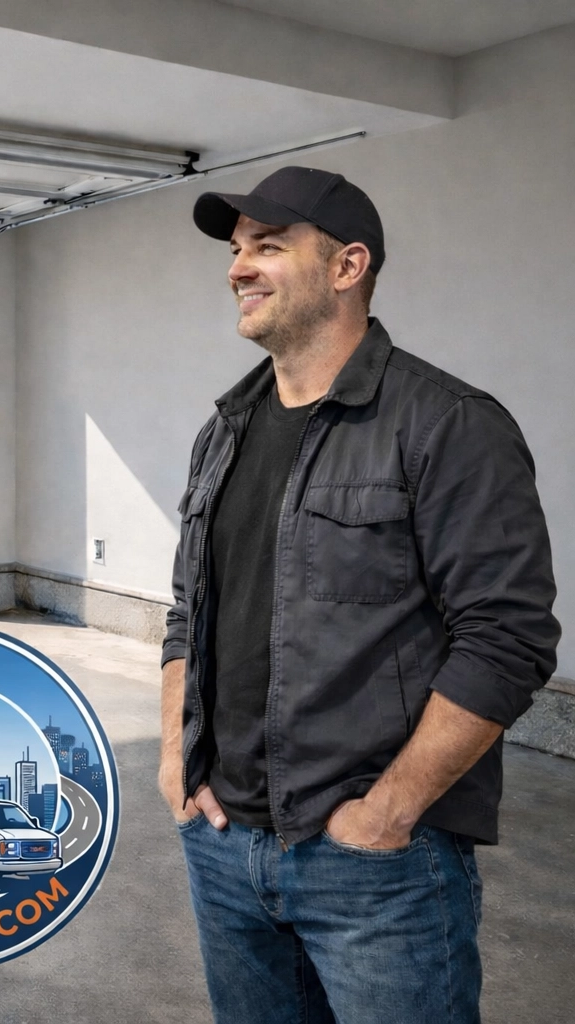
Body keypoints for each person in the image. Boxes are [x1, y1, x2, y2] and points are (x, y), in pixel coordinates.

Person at [159, 166, 560, 1023]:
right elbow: (188, 612)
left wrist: (388, 812)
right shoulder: (223, 430)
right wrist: (176, 764)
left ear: (347, 267)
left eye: (269, 246)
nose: (239, 267)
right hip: (225, 846)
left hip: (378, 868)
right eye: (237, 250)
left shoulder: (447, 423)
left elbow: (506, 638)